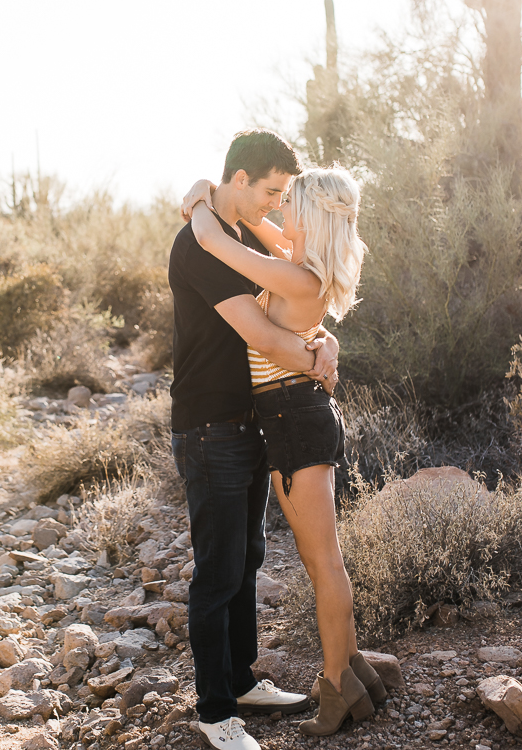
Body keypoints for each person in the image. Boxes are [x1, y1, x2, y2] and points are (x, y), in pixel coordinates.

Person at [180, 162, 386, 737]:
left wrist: (197, 200)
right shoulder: (300, 262)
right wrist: (208, 189)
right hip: (293, 417)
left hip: (292, 418)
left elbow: (210, 240)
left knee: (324, 563)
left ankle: (337, 684)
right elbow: (251, 229)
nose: (278, 209)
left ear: (311, 213)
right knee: (326, 561)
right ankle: (354, 672)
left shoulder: (298, 277)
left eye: (288, 201)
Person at [168, 130, 341, 750]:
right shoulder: (200, 246)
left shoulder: (236, 232)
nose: (276, 203)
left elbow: (299, 284)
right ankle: (216, 714)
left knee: (247, 563)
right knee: (217, 573)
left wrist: (325, 341)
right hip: (210, 425)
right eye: (271, 191)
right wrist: (316, 359)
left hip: (247, 421)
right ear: (240, 180)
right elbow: (261, 336)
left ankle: (239, 682)